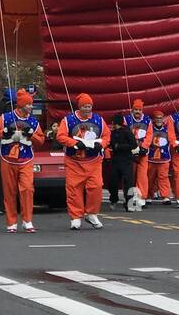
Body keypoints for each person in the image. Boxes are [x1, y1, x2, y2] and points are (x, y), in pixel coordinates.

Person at [0, 88, 43, 233]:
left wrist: (31, 135)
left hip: (26, 159)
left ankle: (27, 220)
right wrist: (4, 132)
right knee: (9, 191)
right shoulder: (6, 118)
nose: (31, 107)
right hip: (8, 159)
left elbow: (41, 140)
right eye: (29, 104)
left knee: (27, 189)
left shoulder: (33, 121)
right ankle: (11, 222)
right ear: (21, 105)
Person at [56, 93, 108, 230]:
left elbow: (107, 135)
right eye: (85, 106)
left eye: (89, 106)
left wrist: (101, 144)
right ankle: (75, 217)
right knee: (74, 189)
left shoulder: (98, 120)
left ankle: (92, 213)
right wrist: (74, 143)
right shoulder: (68, 120)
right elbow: (60, 136)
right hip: (74, 161)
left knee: (96, 187)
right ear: (79, 107)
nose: (87, 108)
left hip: (94, 160)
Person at [106, 114, 139, 209]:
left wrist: (119, 146)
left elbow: (133, 145)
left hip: (126, 160)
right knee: (113, 182)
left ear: (115, 123)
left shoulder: (127, 132)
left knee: (128, 182)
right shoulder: (112, 133)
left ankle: (129, 202)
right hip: (115, 160)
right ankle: (113, 199)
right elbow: (109, 143)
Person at [124, 99, 152, 204]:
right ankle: (129, 196)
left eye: (139, 110)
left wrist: (144, 147)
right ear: (132, 109)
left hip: (143, 152)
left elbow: (149, 135)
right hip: (130, 152)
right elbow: (124, 133)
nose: (137, 112)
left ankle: (141, 196)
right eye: (135, 109)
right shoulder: (126, 119)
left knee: (142, 175)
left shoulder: (147, 120)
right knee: (130, 174)